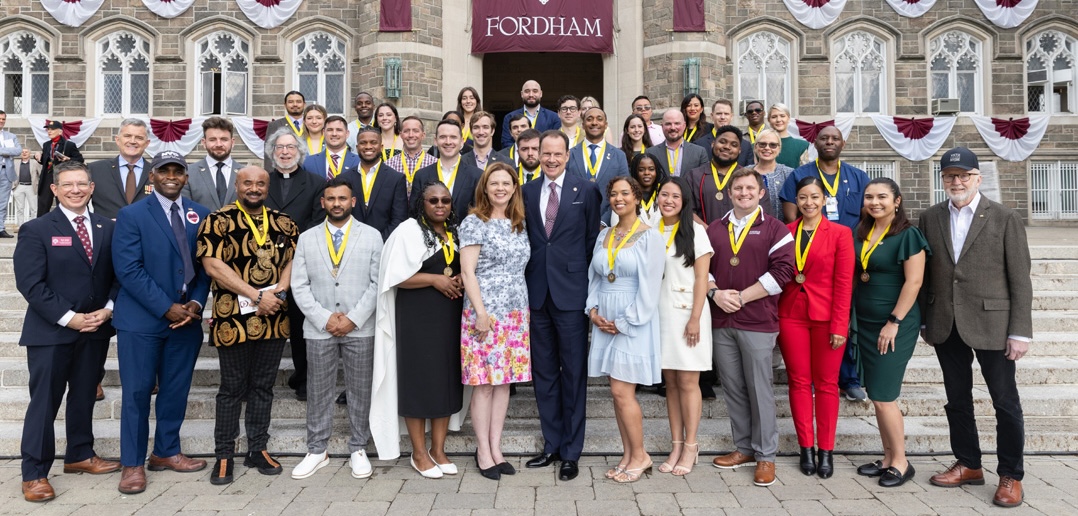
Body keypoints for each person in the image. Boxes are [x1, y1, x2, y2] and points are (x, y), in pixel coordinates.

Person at [920, 147, 1032, 508]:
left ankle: (1011, 475)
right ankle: (968, 463)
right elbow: (925, 273)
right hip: (945, 322)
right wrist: (924, 318)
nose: (957, 181)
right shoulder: (930, 217)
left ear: (977, 178)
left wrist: (1020, 331)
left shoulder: (1005, 217)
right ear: (942, 179)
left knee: (1005, 402)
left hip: (993, 323)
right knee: (957, 399)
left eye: (963, 175)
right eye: (950, 176)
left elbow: (1021, 278)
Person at [15, 161, 121, 502]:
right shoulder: (36, 229)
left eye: (81, 184)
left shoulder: (108, 227)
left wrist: (108, 309)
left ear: (92, 188)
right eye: (67, 185)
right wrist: (69, 317)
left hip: (96, 329)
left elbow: (119, 276)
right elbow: (31, 284)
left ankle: (79, 454)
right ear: (55, 190)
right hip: (51, 332)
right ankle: (34, 473)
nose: (75, 190)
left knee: (84, 394)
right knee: (44, 403)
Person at [111, 150, 212, 494]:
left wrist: (196, 303)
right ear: (151, 176)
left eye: (177, 171)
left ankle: (166, 451)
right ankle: (132, 464)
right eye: (164, 171)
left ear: (186, 177)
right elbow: (128, 269)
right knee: (137, 393)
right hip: (142, 321)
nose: (171, 176)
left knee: (175, 390)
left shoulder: (201, 214)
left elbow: (205, 267)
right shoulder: (131, 214)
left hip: (186, 321)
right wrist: (166, 306)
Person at [196, 166, 298, 485]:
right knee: (232, 388)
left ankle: (257, 449)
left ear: (268, 187)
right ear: (237, 185)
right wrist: (257, 295)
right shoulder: (218, 220)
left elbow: (293, 261)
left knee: (263, 386)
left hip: (273, 317)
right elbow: (212, 265)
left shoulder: (284, 222)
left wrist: (278, 293)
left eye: (260, 184)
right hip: (233, 319)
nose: (254, 188)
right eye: (248, 183)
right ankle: (224, 454)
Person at [289, 177, 383, 480]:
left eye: (342, 198)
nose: (337, 204)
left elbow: (377, 282)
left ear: (352, 202)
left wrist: (353, 318)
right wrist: (324, 318)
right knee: (318, 390)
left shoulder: (372, 236)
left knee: (360, 390)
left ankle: (359, 447)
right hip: (320, 328)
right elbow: (299, 285)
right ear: (323, 202)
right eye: (331, 199)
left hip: (360, 326)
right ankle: (317, 449)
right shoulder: (307, 238)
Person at [706, 168, 795, 488]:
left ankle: (766, 455)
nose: (743, 193)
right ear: (730, 193)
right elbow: (701, 269)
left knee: (760, 389)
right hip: (721, 320)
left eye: (749, 188)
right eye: (738, 188)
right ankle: (743, 447)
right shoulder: (715, 228)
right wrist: (715, 293)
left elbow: (783, 272)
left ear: (761, 193)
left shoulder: (775, 228)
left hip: (757, 321)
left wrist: (742, 297)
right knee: (733, 388)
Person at [370, 181, 465, 478]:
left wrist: (461, 277)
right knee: (418, 381)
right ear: (421, 204)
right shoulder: (407, 231)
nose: (440, 205)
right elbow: (393, 277)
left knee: (446, 380)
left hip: (450, 315)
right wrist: (434, 279)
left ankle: (438, 449)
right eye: (433, 200)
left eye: (445, 200)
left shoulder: (454, 232)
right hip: (416, 317)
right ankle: (419, 452)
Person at [522, 130, 601, 481]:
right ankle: (551, 444)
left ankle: (571, 451)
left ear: (568, 156)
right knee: (544, 374)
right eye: (546, 154)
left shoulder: (586, 190)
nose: (551, 159)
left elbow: (590, 241)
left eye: (558, 154)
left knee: (572, 374)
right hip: (537, 293)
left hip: (571, 294)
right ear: (538, 155)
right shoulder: (526, 192)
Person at [780, 125, 871, 402]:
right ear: (815, 143)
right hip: (811, 259)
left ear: (843, 143)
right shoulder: (799, 175)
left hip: (849, 256)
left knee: (844, 318)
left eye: (835, 138)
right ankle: (808, 378)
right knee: (812, 321)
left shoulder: (858, 177)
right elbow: (791, 217)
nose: (829, 142)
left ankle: (850, 378)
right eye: (823, 138)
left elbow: (868, 216)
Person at [851, 178, 929, 488]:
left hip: (894, 324)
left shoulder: (908, 235)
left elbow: (914, 282)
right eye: (869, 197)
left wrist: (894, 321)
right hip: (865, 323)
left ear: (897, 201)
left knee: (884, 397)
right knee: (875, 394)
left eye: (882, 196)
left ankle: (901, 462)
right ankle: (887, 458)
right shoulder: (861, 232)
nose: (875, 202)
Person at [587, 176, 665, 483]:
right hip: (604, 317)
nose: (619, 198)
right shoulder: (604, 234)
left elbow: (651, 287)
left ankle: (641, 455)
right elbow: (596, 276)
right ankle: (628, 455)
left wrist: (624, 321)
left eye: (625, 193)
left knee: (622, 391)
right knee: (616, 392)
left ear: (636, 197)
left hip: (632, 320)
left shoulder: (649, 236)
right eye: (613, 194)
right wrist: (593, 310)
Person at [458, 162, 532, 481]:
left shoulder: (519, 223)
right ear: (485, 188)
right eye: (494, 183)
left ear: (514, 188)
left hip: (515, 314)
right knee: (485, 384)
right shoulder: (475, 222)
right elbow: (467, 272)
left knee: (503, 383)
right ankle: (483, 451)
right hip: (485, 314)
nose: (500, 188)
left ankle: (496, 447)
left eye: (506, 183)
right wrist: (481, 313)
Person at [776, 176, 854, 479]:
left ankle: (827, 450)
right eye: (803, 197)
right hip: (791, 315)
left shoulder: (840, 233)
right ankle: (806, 448)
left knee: (826, 384)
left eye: (814, 197)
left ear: (824, 200)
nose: (808, 203)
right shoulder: (785, 231)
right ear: (796, 201)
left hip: (827, 318)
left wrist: (840, 325)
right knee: (798, 382)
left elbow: (844, 283)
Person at [654, 176, 713, 477]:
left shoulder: (695, 231)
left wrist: (694, 318)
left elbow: (702, 279)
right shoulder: (650, 228)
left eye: (675, 196)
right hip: (660, 314)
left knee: (689, 382)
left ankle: (691, 445)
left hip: (688, 314)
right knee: (671, 384)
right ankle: (676, 444)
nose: (669, 201)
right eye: (664, 195)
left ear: (684, 201)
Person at [263, 128, 323, 401]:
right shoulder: (263, 181)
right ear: (272, 152)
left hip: (303, 264)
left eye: (290, 147)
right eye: (280, 147)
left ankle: (304, 379)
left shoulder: (316, 183)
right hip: (265, 264)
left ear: (300, 151)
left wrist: (293, 246)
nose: (285, 152)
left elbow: (317, 221)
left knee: (301, 327)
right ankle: (261, 381)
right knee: (266, 325)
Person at [328, 126, 408, 241]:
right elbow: (339, 214)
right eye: (363, 143)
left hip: (384, 244)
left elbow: (399, 219)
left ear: (381, 147)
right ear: (357, 147)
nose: (368, 146)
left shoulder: (396, 179)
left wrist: (379, 242)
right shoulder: (344, 178)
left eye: (373, 142)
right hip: (349, 243)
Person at [566, 107, 630, 226]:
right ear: (583, 125)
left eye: (599, 119)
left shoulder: (619, 156)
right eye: (589, 119)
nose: (594, 122)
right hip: (575, 224)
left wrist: (604, 221)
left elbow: (624, 191)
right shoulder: (570, 155)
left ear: (606, 125)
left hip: (608, 225)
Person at [685, 126, 760, 226]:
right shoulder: (694, 176)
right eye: (722, 142)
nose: (727, 147)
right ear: (713, 144)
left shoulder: (750, 177)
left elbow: (761, 212)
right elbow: (687, 210)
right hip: (704, 234)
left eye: (734, 145)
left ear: (739, 150)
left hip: (743, 234)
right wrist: (709, 231)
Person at [411, 120, 482, 223]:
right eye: (443, 137)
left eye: (453, 137)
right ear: (435, 141)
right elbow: (414, 214)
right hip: (429, 232)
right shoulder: (421, 176)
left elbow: (480, 214)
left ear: (462, 142)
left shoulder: (477, 176)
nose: (448, 142)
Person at [88, 118, 151, 219]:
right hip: (107, 229)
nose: (132, 141)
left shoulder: (157, 172)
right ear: (117, 140)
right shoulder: (95, 170)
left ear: (147, 143)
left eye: (139, 138)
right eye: (127, 136)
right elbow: (79, 203)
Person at [183, 117, 245, 211]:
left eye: (224, 139)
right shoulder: (189, 173)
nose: (219, 144)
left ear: (232, 142)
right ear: (204, 143)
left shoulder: (245, 173)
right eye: (212, 140)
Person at [35, 120, 83, 217]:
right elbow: (45, 160)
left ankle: (64, 222)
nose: (49, 131)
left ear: (60, 131)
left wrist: (68, 159)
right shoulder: (46, 144)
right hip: (47, 176)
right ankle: (41, 224)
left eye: (52, 129)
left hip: (62, 176)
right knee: (43, 203)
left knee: (62, 202)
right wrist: (38, 157)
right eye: (48, 129)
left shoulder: (68, 145)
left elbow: (80, 160)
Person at [744, 128, 793, 220]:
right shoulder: (744, 172)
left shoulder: (789, 174)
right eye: (762, 144)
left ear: (779, 148)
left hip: (779, 227)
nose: (767, 148)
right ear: (755, 147)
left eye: (773, 145)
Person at [646, 110, 709, 178]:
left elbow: (704, 179)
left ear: (684, 125)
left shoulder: (699, 152)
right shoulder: (651, 153)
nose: (673, 128)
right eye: (668, 124)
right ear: (662, 126)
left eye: (677, 123)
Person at [611, 153, 667, 228]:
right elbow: (616, 225)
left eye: (651, 169)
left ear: (656, 171)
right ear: (635, 172)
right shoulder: (624, 193)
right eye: (641, 170)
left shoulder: (664, 192)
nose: (646, 173)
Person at [500, 80, 561, 149]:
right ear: (522, 94)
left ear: (541, 93)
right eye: (527, 91)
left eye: (535, 91)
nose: (531, 95)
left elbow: (556, 142)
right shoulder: (510, 117)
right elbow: (506, 143)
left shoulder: (554, 117)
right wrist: (522, 152)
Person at [386, 116, 436, 192]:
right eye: (406, 131)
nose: (411, 135)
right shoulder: (389, 165)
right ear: (401, 135)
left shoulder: (435, 164)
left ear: (423, 135)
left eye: (415, 131)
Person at [302, 115, 359, 180]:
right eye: (330, 130)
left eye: (339, 130)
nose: (334, 134)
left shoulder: (359, 162)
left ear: (347, 133)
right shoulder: (308, 162)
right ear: (323, 133)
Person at [263, 90, 307, 171]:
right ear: (285, 105)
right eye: (290, 102)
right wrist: (270, 175)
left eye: (298, 101)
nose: (295, 104)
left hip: (309, 171)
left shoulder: (312, 124)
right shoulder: (275, 125)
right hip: (284, 171)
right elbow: (269, 153)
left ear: (304, 104)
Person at [767, 103, 809, 169]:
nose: (778, 120)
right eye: (774, 117)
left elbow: (805, 171)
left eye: (782, 116)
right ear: (769, 120)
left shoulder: (801, 146)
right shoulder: (760, 146)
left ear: (788, 118)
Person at [0, 110, 19, 237]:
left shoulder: (11, 136)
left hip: (6, 172)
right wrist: (8, 151)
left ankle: (0, 228)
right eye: (0, 119)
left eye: (3, 119)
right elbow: (12, 151)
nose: (1, 121)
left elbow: (18, 151)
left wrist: (2, 150)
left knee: (3, 202)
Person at [13, 147, 41, 228]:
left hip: (31, 187)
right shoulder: (16, 163)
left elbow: (41, 174)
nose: (24, 153)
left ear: (29, 154)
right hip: (19, 186)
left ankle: (34, 227)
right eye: (23, 152)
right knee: (20, 208)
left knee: (34, 208)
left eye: (26, 152)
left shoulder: (35, 163)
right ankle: (21, 227)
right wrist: (13, 186)